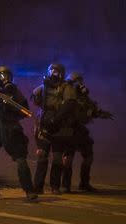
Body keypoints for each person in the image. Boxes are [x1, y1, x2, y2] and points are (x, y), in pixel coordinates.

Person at [0, 66, 37, 201]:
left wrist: (10, 103)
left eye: (7, 76)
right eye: (1, 76)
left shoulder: (15, 91)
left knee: (21, 160)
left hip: (11, 128)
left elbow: (25, 111)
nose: (4, 79)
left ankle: (29, 191)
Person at [31, 63, 78, 194]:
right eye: (52, 70)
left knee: (57, 158)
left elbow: (69, 105)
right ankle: (38, 186)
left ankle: (55, 186)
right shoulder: (44, 87)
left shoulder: (66, 87)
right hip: (45, 125)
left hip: (59, 126)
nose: (54, 73)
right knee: (42, 155)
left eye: (56, 71)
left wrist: (56, 119)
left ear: (62, 73)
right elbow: (34, 97)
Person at [63, 72, 113, 192]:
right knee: (68, 159)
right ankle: (65, 185)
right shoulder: (67, 96)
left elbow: (92, 110)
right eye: (77, 81)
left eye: (80, 81)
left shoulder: (85, 98)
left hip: (80, 130)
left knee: (88, 157)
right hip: (69, 129)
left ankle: (84, 183)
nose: (80, 84)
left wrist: (100, 113)